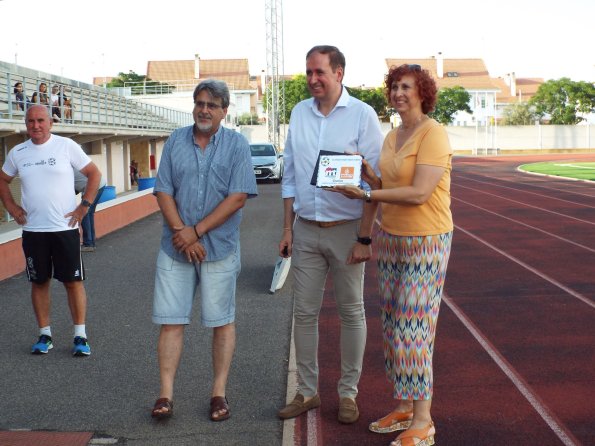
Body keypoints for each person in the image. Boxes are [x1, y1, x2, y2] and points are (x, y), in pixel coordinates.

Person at [330, 64, 453, 446]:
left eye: (407, 87)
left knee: (415, 331)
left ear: (423, 93)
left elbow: (419, 192)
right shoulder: (392, 135)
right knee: (395, 328)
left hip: (427, 239)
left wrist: (368, 196)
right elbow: (390, 185)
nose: (398, 93)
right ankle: (403, 407)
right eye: (394, 87)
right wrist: (370, 179)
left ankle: (424, 420)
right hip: (393, 238)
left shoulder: (433, 134)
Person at [277, 45, 383, 424]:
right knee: (303, 315)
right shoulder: (299, 113)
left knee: (351, 313)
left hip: (346, 231)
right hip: (306, 230)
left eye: (319, 72)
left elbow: (376, 182)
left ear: (339, 73)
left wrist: (364, 237)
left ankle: (348, 394)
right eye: (308, 72)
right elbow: (289, 175)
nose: (312, 79)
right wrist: (288, 228)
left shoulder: (362, 115)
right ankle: (307, 392)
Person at [150, 79, 257, 421]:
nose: (204, 109)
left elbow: (238, 196)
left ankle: (218, 394)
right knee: (171, 322)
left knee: (221, 321)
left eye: (212, 104)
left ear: (225, 111)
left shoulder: (238, 145)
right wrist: (183, 233)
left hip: (218, 248)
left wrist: (196, 231)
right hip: (175, 247)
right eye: (200, 103)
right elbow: (163, 191)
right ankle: (165, 395)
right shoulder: (175, 141)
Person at [0, 105, 102, 357]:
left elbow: (93, 173)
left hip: (64, 229)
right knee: (39, 282)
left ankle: (80, 336)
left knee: (73, 281)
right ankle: (44, 334)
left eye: (40, 120)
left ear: (50, 123)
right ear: (26, 123)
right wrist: (12, 207)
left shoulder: (66, 146)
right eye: (31, 121)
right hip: (34, 231)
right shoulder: (18, 152)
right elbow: (3, 179)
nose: (35, 125)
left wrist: (84, 207)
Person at [74, 168, 107, 252]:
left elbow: (72, 190)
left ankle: (88, 244)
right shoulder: (73, 168)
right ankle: (91, 242)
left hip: (94, 186)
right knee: (89, 213)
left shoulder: (67, 171)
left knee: (84, 213)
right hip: (100, 184)